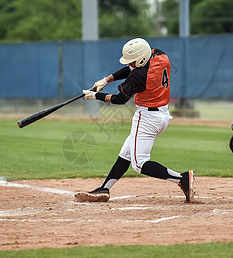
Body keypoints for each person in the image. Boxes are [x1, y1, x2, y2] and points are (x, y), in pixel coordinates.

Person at [74, 38, 194, 203]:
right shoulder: (160, 55)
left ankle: (182, 178)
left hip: (147, 118)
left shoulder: (140, 76)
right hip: (162, 115)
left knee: (139, 164)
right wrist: (106, 80)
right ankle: (105, 187)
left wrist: (95, 95)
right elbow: (131, 68)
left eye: (132, 61)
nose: (130, 64)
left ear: (141, 60)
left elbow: (119, 99)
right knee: (126, 153)